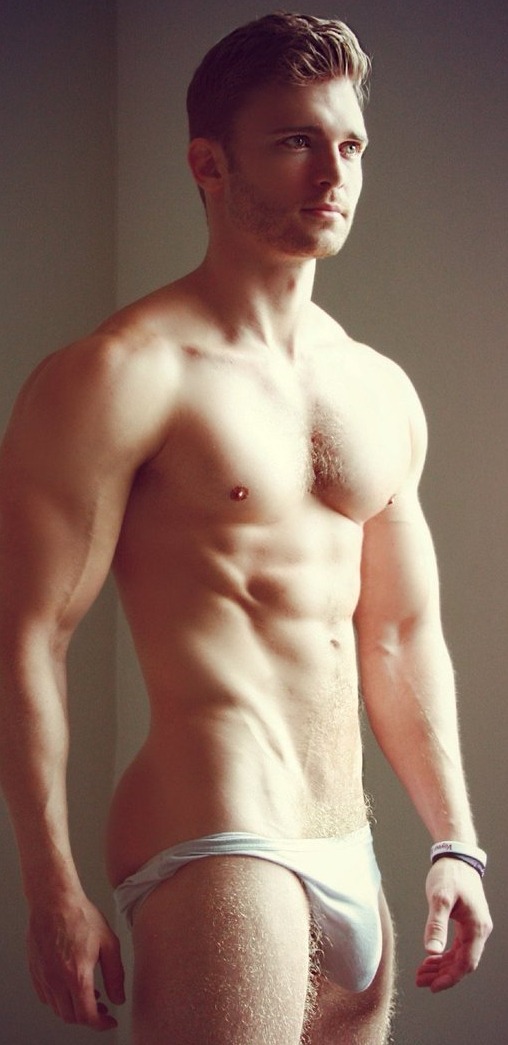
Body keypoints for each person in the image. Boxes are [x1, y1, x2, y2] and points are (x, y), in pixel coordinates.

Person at [0, 12, 492, 1044]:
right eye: (296, 141)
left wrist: (455, 840)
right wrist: (50, 888)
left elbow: (400, 634)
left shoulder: (376, 388)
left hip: (348, 838)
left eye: (350, 144)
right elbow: (27, 636)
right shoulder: (123, 372)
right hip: (216, 832)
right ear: (208, 164)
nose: (333, 173)